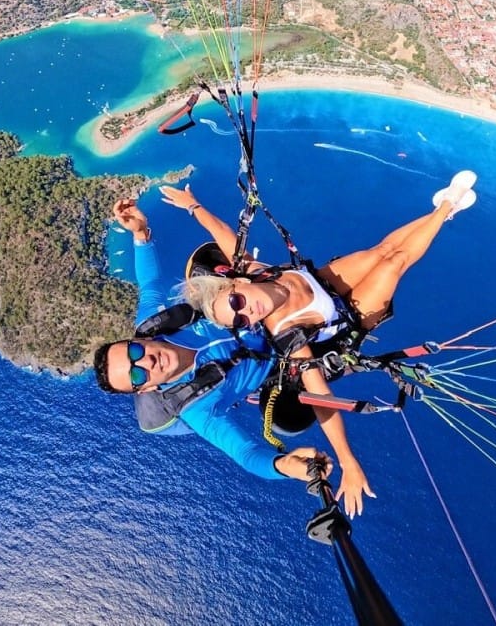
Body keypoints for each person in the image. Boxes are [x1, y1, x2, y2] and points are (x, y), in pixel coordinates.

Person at [161, 169, 478, 516]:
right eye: (240, 321)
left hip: (323, 284)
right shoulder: (285, 332)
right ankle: (447, 206)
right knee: (394, 263)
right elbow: (321, 398)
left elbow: (222, 233)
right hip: (350, 318)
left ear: (238, 283)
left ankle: (441, 208)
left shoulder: (254, 270)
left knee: (383, 250)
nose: (247, 312)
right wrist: (347, 461)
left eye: (237, 303)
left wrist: (193, 205)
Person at [92, 198, 331, 487]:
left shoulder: (154, 324)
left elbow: (150, 283)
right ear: (146, 389)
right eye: (137, 375)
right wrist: (284, 466)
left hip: (254, 310)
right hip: (280, 355)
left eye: (134, 351)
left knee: (213, 270)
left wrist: (140, 234)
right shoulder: (197, 409)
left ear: (138, 340)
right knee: (290, 419)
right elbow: (245, 453)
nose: (146, 361)